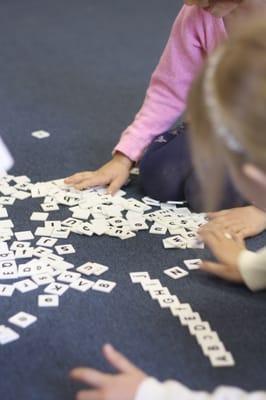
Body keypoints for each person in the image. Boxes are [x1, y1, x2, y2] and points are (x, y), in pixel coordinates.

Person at [69, 17, 266, 400]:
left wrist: (152, 394)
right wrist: (252, 266)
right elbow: (168, 90)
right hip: (239, 128)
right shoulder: (199, 19)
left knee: (206, 186)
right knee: (164, 171)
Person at [65, 0, 266, 237]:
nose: (189, 1)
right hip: (224, 126)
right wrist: (124, 158)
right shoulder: (198, 13)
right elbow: (169, 91)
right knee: (160, 174)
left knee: (206, 193)